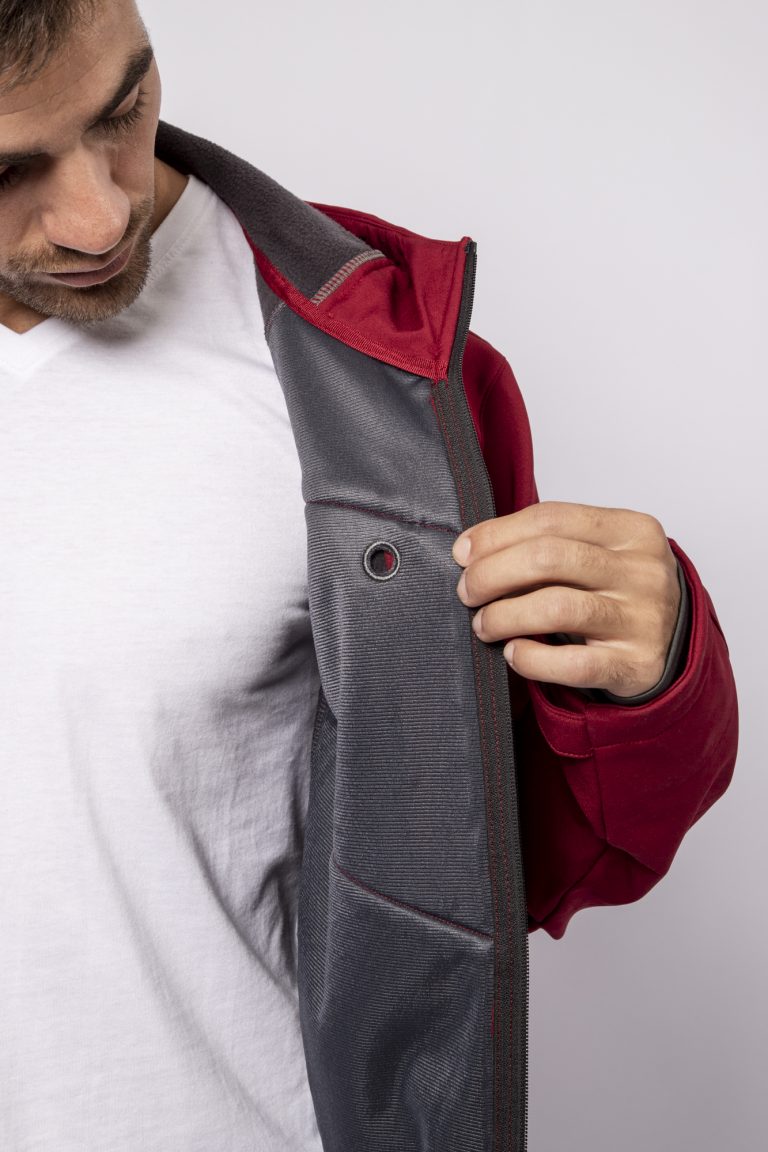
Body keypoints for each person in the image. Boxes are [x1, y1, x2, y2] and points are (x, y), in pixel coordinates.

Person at [0, 2, 738, 1150]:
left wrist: (651, 672)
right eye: (8, 172)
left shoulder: (368, 370)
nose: (99, 213)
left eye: (124, 107)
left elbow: (524, 860)